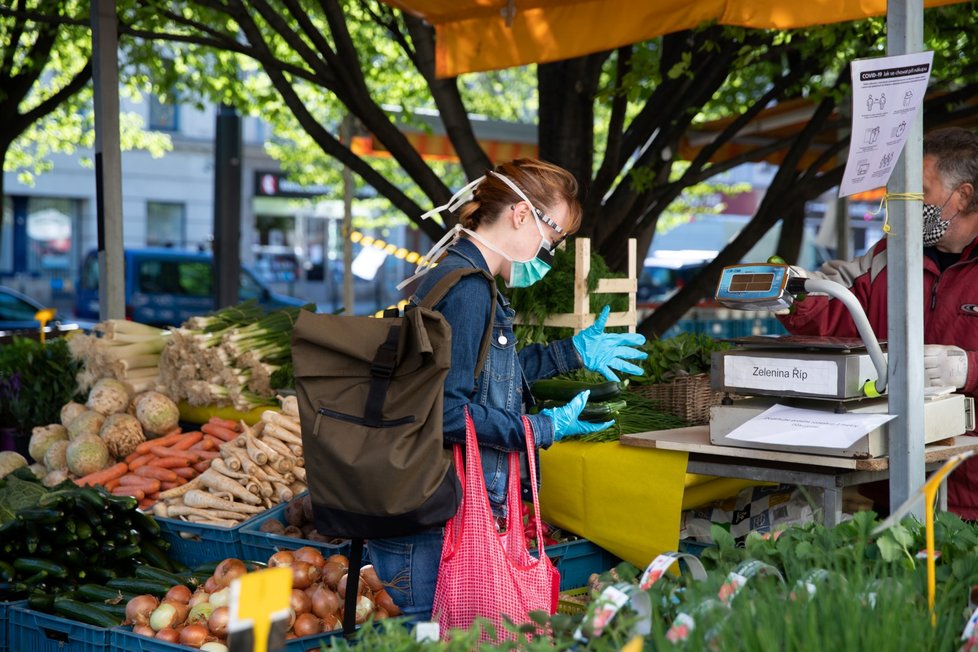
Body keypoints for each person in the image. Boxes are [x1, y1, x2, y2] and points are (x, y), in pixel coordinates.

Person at [366, 158, 648, 617]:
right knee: (433, 643)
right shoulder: (469, 290)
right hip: (436, 516)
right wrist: (537, 428)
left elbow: (483, 376)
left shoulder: (458, 274)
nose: (548, 253)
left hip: (424, 507)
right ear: (521, 215)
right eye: (552, 238)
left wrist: (571, 353)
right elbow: (450, 414)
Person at [778, 126, 978, 518]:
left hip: (970, 491)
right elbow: (844, 315)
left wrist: (970, 367)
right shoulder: (891, 252)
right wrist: (797, 298)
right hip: (896, 483)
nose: (904, 202)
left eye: (919, 190)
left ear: (963, 195)